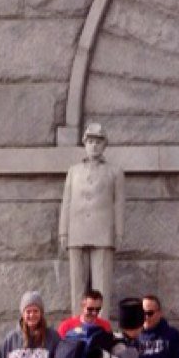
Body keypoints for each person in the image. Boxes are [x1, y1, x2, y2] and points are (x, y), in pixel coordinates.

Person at [59, 122, 123, 314]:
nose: (94, 145)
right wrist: (64, 231)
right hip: (76, 231)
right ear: (85, 144)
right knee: (77, 284)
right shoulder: (73, 171)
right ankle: (76, 323)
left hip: (103, 232)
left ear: (104, 145)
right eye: (90, 141)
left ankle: (102, 325)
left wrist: (119, 233)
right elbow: (67, 202)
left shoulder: (115, 172)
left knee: (102, 284)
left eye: (98, 141)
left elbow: (119, 203)